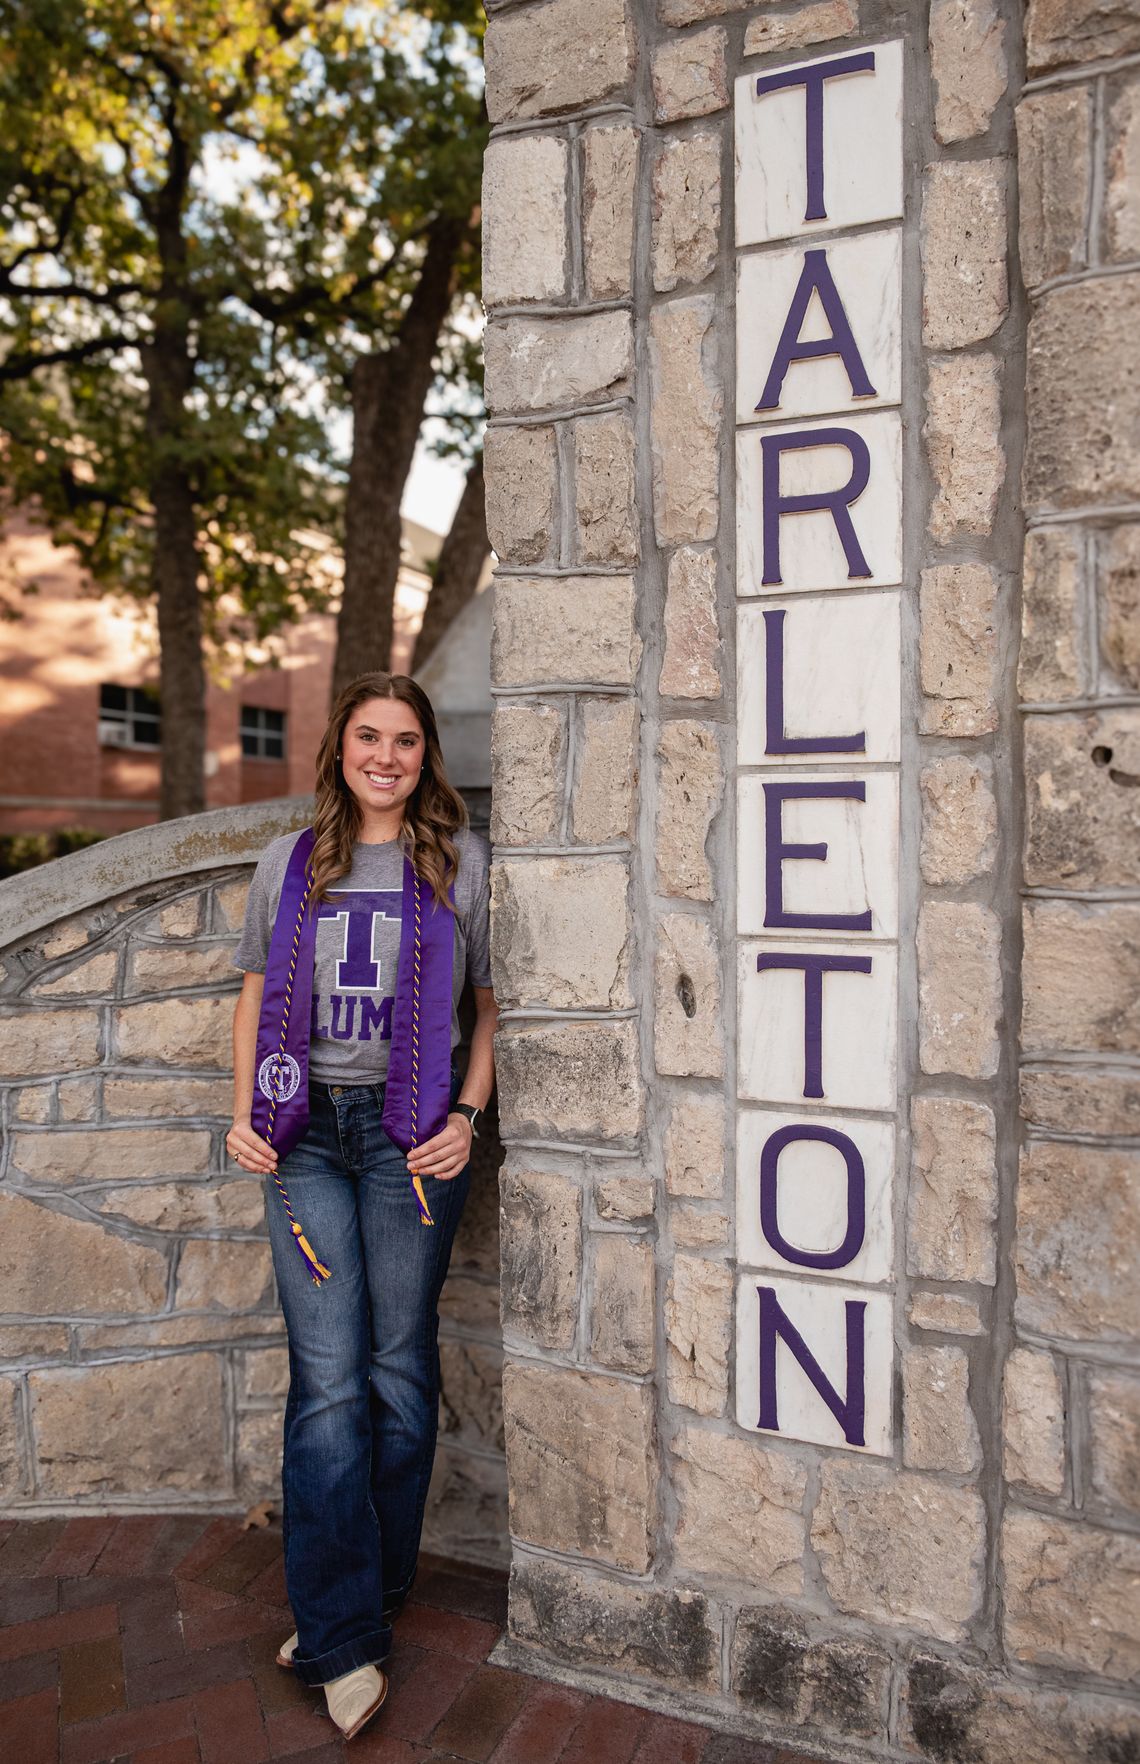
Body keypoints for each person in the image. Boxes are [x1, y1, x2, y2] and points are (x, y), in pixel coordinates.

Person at [227, 672, 497, 1742]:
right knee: (331, 1377)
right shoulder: (288, 864)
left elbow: (492, 1009)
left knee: (397, 1367)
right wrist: (238, 1111)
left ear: (426, 757)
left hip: (411, 1144)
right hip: (303, 1135)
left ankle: (358, 1605)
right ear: (340, 747)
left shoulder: (457, 866)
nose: (385, 756)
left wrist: (469, 1118)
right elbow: (250, 994)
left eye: (406, 741)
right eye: (367, 737)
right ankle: (341, 1632)